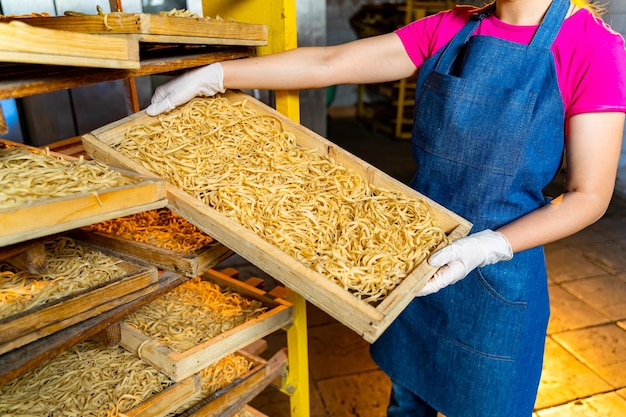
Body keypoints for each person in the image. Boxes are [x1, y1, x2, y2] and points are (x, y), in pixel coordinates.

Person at [146, 0, 626, 415]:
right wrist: (218, 75)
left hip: (497, 281)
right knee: (406, 399)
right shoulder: (453, 27)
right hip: (412, 258)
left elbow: (589, 196)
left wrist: (487, 247)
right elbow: (329, 65)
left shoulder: (592, 46)